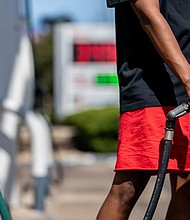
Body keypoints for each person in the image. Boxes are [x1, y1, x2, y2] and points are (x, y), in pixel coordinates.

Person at [96, 0, 190, 219]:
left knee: (186, 185)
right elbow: (147, 12)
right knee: (128, 186)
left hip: (184, 79)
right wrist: (187, 77)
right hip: (152, 83)